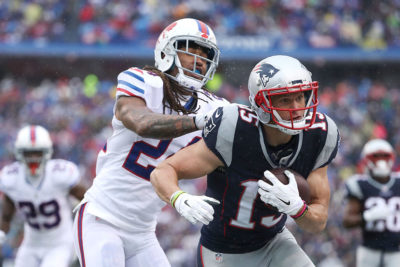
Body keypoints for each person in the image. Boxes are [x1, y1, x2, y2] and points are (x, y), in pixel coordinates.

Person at [150, 55, 340, 267]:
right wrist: (179, 198)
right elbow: (164, 170)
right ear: (262, 103)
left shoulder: (320, 135)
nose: (296, 108)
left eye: (300, 97)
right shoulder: (235, 130)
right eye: (285, 99)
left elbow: (318, 222)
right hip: (223, 251)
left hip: (274, 242)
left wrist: (297, 208)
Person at [72, 18, 229, 267]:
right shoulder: (142, 80)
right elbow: (142, 123)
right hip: (101, 218)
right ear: (167, 50)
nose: (199, 59)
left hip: (143, 233)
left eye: (205, 53)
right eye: (191, 49)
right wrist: (199, 121)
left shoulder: (216, 107)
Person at [0, 125, 86, 267]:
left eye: (38, 152)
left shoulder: (60, 173)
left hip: (60, 242)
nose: (33, 158)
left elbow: (87, 199)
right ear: (19, 153)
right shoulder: (11, 178)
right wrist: (2, 233)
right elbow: (6, 216)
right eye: (28, 153)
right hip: (31, 243)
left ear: (47, 152)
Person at [342, 139, 400, 267]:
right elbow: (347, 221)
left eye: (384, 156)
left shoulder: (398, 182)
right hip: (369, 249)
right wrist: (367, 216)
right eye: (376, 156)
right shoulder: (360, 184)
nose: (381, 160)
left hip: (397, 250)